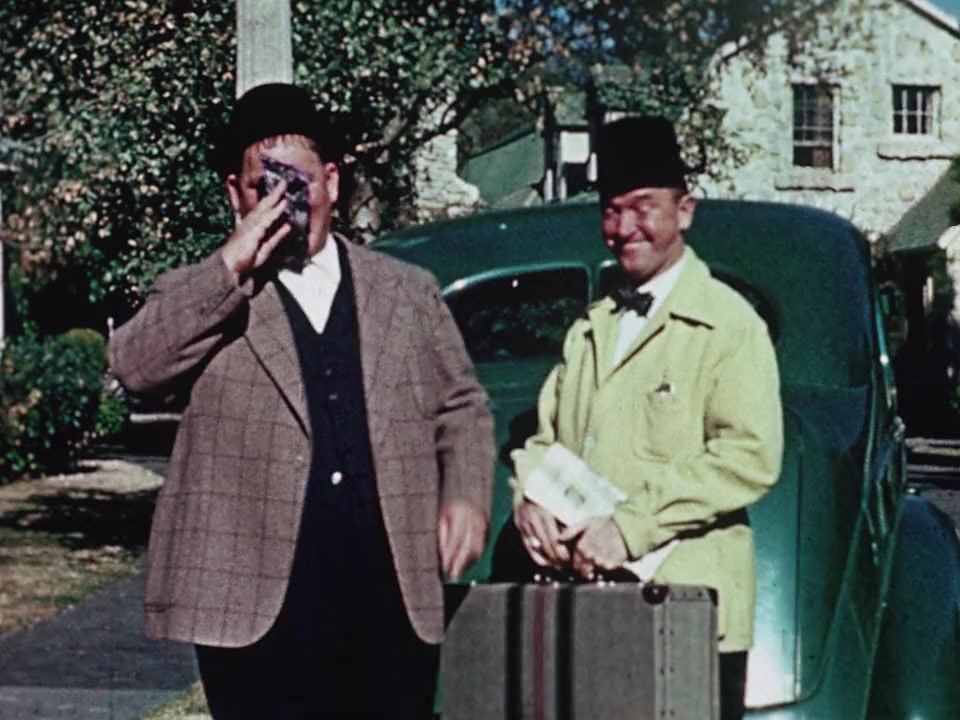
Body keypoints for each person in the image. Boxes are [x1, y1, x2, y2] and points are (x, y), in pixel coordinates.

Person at [109, 83, 495, 719]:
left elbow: (462, 406)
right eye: (266, 185)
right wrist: (230, 267)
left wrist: (465, 495)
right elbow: (135, 366)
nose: (287, 201)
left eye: (300, 181)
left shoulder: (406, 291)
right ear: (236, 196)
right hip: (256, 609)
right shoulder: (202, 295)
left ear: (332, 184)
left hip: (389, 595)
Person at [495, 116, 783, 720]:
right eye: (611, 211)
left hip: (682, 612)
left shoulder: (729, 326)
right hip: (584, 608)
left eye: (643, 208)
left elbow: (748, 456)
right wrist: (530, 501)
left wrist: (630, 528)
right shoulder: (590, 328)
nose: (624, 228)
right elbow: (545, 439)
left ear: (685, 211)